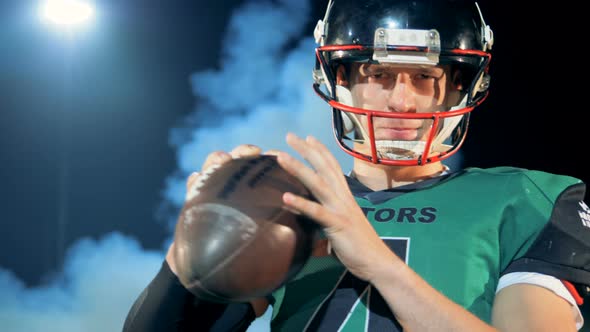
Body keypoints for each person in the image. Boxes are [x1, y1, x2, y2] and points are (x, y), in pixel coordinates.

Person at [123, 0, 590, 331]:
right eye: (379, 75)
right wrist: (191, 246)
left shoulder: (531, 198)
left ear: (456, 89)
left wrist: (378, 263)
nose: (402, 101)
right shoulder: (294, 209)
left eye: (424, 78)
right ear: (340, 80)